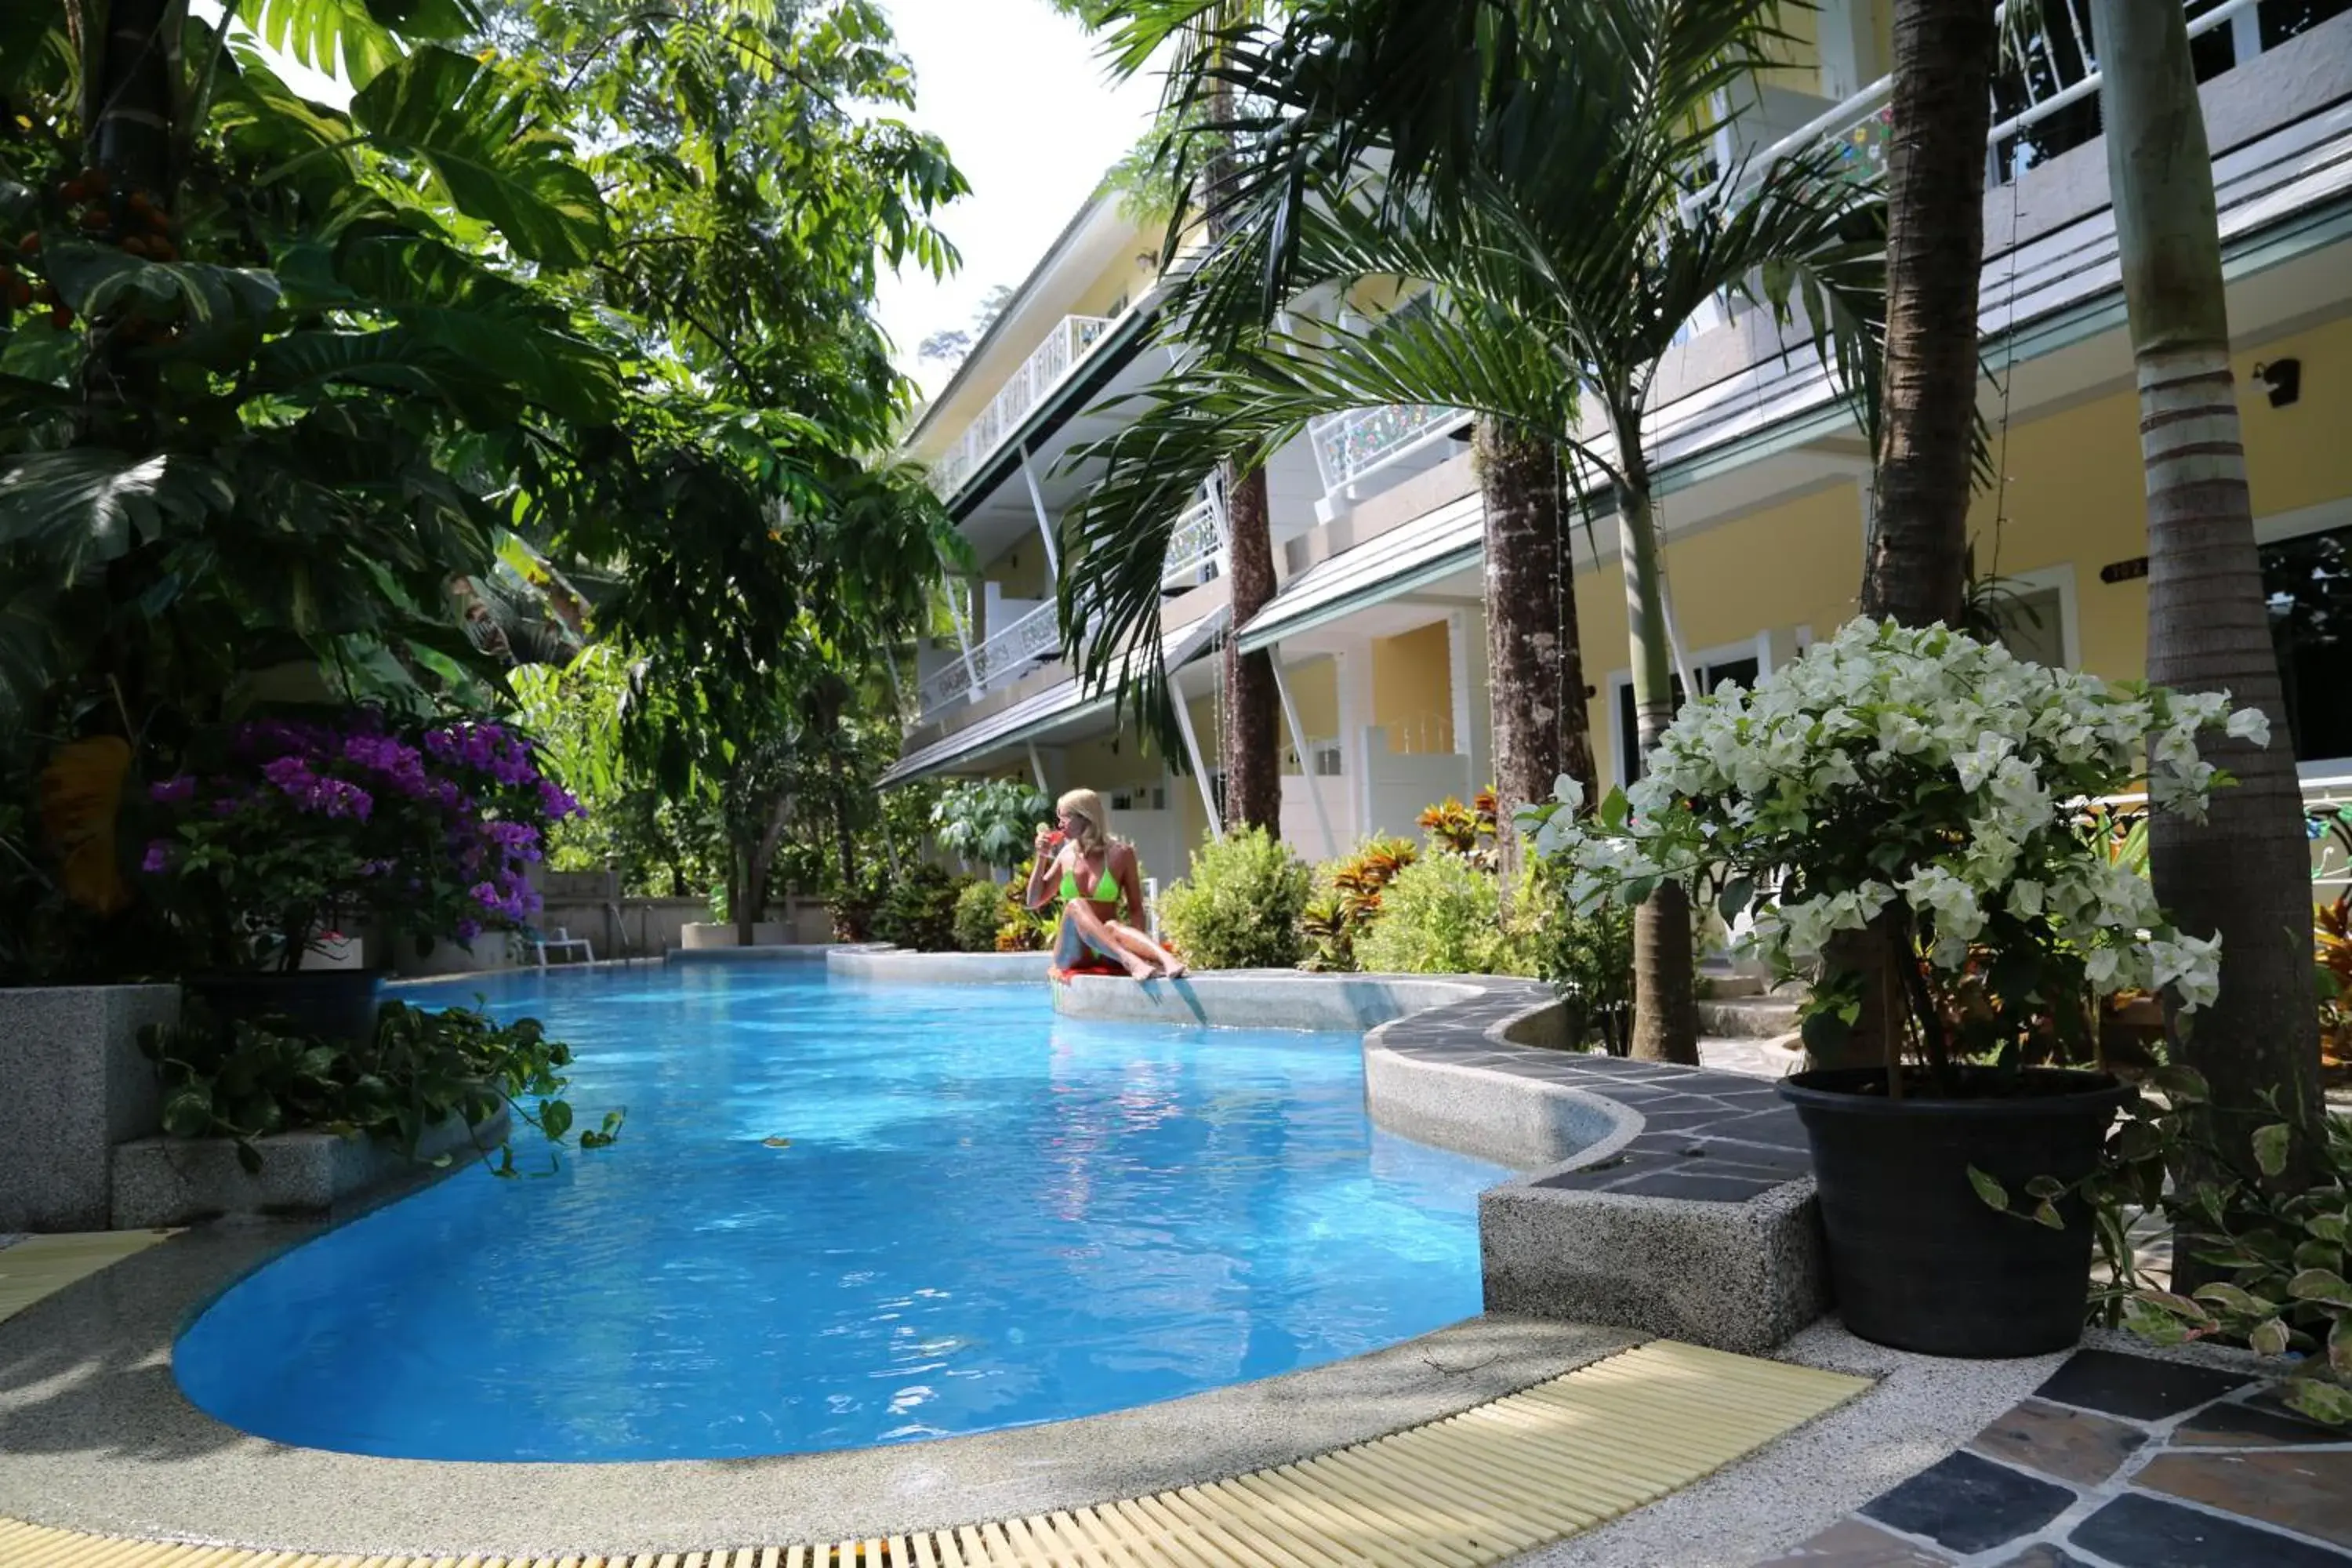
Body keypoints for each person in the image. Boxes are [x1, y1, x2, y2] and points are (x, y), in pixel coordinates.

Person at [1025, 789, 1186, 982]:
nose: (1059, 825)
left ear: (1084, 817)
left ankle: (1166, 958)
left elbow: (1135, 908)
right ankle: (1128, 960)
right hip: (1073, 953)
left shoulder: (1121, 854)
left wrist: (1142, 951)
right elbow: (1033, 901)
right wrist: (1042, 857)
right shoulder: (1065, 856)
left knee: (1112, 926)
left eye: (1064, 818)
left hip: (1109, 950)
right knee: (1075, 904)